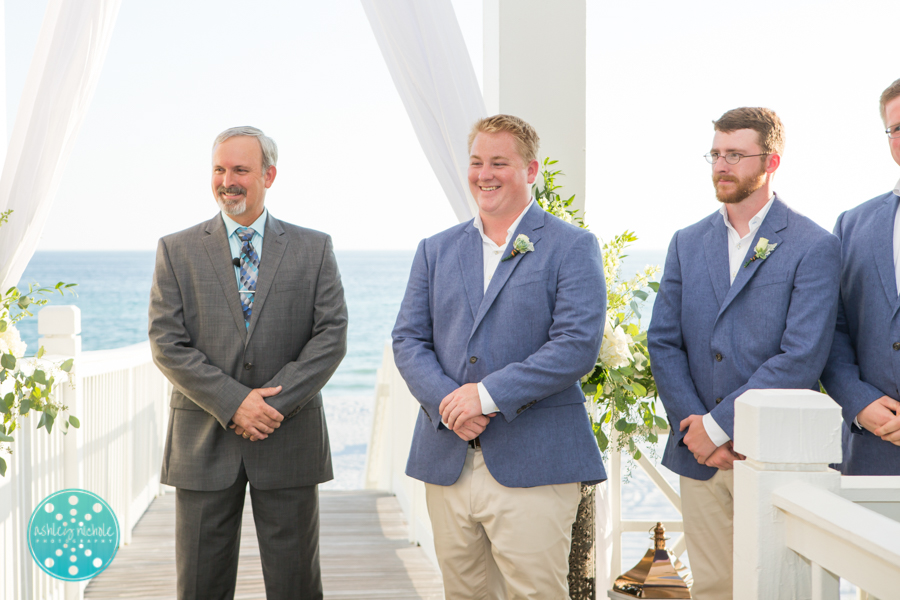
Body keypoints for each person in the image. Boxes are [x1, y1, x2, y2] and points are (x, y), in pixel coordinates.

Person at [391, 114, 606, 599]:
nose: (484, 174)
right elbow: (407, 339)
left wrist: (484, 397)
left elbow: (575, 347)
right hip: (446, 460)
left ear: (531, 171)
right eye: (476, 162)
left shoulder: (572, 247)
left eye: (499, 163)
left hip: (536, 464)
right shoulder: (435, 250)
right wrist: (452, 403)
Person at [647, 107, 840, 598]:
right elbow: (664, 342)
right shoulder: (686, 242)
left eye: (735, 154)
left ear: (770, 161)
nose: (721, 165)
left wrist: (717, 425)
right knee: (712, 586)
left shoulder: (813, 245)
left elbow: (800, 356)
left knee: (777, 588)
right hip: (700, 456)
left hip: (774, 452)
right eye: (715, 153)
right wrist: (695, 428)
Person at [148, 126, 347, 600]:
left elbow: (331, 336)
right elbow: (166, 342)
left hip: (288, 439)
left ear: (269, 175)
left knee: (297, 586)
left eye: (240, 169)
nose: (227, 180)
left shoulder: (313, 248)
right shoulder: (176, 250)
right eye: (219, 169)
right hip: (202, 443)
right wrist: (236, 403)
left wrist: (270, 405)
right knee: (200, 586)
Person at [821, 78, 900, 475]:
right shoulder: (852, 225)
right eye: (897, 127)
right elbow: (832, 330)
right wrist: (858, 401)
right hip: (871, 452)